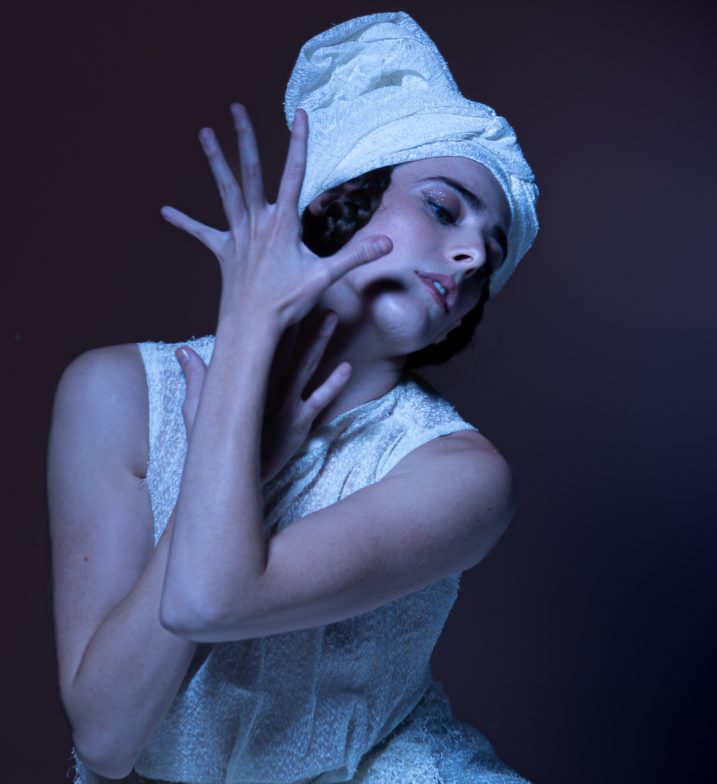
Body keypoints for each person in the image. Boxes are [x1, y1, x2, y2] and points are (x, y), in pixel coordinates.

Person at [47, 12, 538, 784]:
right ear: (343, 193)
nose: (474, 254)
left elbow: (211, 601)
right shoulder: (113, 394)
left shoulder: (463, 473)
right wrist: (250, 385)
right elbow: (107, 741)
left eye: (490, 251)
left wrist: (245, 375)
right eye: (444, 209)